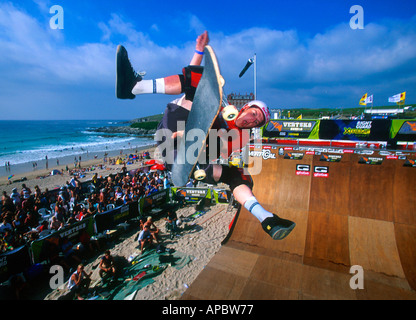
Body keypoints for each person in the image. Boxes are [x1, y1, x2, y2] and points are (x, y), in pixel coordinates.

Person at [116, 31, 295, 240]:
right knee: (197, 79)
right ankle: (135, 87)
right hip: (172, 128)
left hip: (186, 156)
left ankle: (266, 218)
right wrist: (199, 50)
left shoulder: (242, 136)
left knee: (239, 176)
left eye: (257, 122)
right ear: (246, 108)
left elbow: (218, 146)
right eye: (253, 114)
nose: (252, 121)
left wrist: (195, 138)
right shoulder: (224, 109)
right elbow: (193, 84)